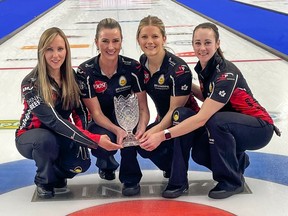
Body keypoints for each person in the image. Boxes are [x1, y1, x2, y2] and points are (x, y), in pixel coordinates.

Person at [140, 22, 281, 199]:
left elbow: (202, 118)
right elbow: (208, 96)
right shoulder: (205, 68)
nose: (202, 48)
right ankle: (238, 160)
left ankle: (232, 181)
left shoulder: (226, 73)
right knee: (199, 153)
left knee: (216, 121)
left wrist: (162, 134)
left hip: (259, 128)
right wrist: (181, 84)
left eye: (207, 42)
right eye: (197, 43)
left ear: (218, 43)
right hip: (233, 124)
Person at [15, 27, 121, 199]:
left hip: (60, 133)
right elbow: (53, 120)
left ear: (66, 50)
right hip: (30, 137)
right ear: (41, 52)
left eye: (60, 49)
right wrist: (93, 140)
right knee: (45, 141)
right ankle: (44, 180)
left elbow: (79, 113)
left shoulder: (70, 76)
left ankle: (56, 173)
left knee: (82, 162)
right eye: (49, 49)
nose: (55, 55)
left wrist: (84, 139)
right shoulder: (31, 82)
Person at [76, 18, 150, 196]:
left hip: (127, 118)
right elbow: (95, 112)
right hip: (101, 121)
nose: (111, 46)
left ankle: (130, 178)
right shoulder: (85, 71)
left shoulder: (133, 68)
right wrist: (117, 130)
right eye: (105, 41)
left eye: (116, 41)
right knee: (102, 141)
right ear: (96, 42)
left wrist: (140, 128)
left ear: (121, 41)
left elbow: (142, 108)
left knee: (130, 134)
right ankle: (106, 162)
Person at [136, 15, 199, 197]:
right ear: (138, 40)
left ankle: (179, 182)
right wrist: (147, 130)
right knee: (142, 145)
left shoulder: (178, 69)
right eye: (145, 37)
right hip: (165, 120)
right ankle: (171, 165)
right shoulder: (142, 62)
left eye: (155, 36)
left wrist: (157, 132)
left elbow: (173, 111)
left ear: (164, 38)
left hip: (189, 123)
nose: (150, 42)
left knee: (180, 114)